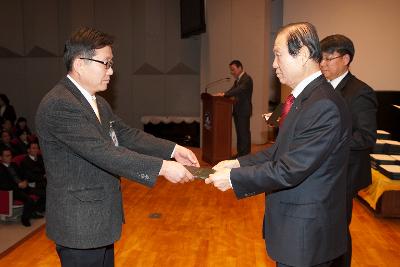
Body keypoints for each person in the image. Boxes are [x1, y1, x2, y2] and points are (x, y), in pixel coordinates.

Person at [35, 27, 199, 267]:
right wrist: (163, 168)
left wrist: (173, 149)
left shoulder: (97, 102)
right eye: (106, 63)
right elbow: (104, 152)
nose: (111, 71)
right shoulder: (60, 105)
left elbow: (124, 135)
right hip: (80, 227)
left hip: (99, 222)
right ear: (80, 63)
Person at [206, 22, 352, 267]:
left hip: (306, 235)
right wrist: (238, 162)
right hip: (295, 229)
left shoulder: (322, 104)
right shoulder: (303, 98)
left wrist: (234, 178)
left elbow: (290, 168)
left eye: (277, 55)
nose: (273, 64)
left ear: (303, 54)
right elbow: (278, 151)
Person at [320, 34, 378, 267]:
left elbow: (366, 136)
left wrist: (327, 141)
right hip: (324, 171)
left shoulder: (360, 92)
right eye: (320, 59)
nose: (322, 64)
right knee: (325, 229)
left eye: (328, 59)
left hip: (345, 173)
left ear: (345, 59)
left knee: (337, 231)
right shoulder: (321, 88)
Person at [215, 60, 253, 157]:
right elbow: (232, 90)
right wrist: (223, 95)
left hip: (243, 111)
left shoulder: (247, 79)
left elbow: (239, 90)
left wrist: (225, 94)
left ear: (240, 68)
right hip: (237, 111)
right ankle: (240, 154)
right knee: (240, 135)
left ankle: (245, 156)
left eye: (233, 70)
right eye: (231, 70)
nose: (232, 72)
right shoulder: (238, 81)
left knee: (244, 135)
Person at [0, 147, 44, 227]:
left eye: (10, 155)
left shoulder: (14, 164)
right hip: (12, 191)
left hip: (23, 186)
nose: (9, 157)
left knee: (43, 193)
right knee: (29, 200)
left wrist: (25, 181)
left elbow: (23, 174)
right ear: (1, 157)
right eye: (7, 156)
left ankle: (33, 211)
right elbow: (3, 185)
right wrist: (18, 185)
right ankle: (25, 219)